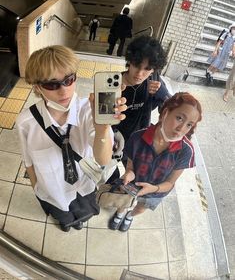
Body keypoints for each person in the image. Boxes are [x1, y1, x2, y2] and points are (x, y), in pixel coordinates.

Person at [16, 45, 127, 232]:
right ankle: (66, 222)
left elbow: (103, 159)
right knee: (63, 217)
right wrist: (38, 188)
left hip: (85, 185)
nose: (64, 91)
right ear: (37, 87)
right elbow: (28, 161)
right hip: (53, 193)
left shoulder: (88, 111)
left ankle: (78, 220)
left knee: (84, 212)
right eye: (52, 84)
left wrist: (102, 129)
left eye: (69, 80)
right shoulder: (26, 122)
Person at [108, 92, 202, 231]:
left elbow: (170, 182)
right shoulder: (137, 137)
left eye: (189, 125)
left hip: (156, 192)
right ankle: (120, 213)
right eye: (179, 118)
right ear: (165, 113)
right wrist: (129, 174)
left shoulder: (186, 150)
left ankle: (129, 216)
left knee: (140, 209)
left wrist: (154, 189)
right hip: (132, 187)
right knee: (124, 203)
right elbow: (130, 166)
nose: (181, 129)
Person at [109, 35, 171, 177]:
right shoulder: (114, 84)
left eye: (147, 69)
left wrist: (162, 93)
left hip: (139, 142)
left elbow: (171, 109)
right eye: (137, 66)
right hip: (115, 139)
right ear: (129, 61)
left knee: (135, 176)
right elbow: (101, 116)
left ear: (154, 69)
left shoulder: (154, 82)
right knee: (109, 174)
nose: (140, 73)